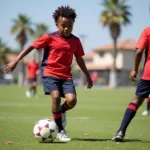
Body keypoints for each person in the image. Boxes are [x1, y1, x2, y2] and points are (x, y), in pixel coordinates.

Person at [4, 5, 93, 142]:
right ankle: (61, 131)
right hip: (49, 73)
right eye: (63, 25)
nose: (66, 28)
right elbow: (31, 47)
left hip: (66, 76)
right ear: (57, 24)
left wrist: (87, 76)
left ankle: (61, 111)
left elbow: (79, 59)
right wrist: (15, 61)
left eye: (69, 26)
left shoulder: (76, 41)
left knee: (72, 101)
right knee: (56, 97)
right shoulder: (49, 37)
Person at [112, 27, 150, 142]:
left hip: (148, 73)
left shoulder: (147, 31)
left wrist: (134, 69)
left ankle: (121, 131)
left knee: (137, 100)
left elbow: (139, 52)